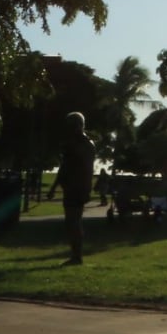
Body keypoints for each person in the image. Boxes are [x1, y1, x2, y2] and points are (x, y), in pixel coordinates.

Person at [58, 111, 96, 266]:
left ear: (80, 126)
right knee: (71, 222)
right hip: (72, 186)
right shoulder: (73, 144)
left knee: (74, 221)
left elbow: (86, 169)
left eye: (73, 126)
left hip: (78, 187)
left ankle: (77, 256)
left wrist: (85, 188)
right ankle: (75, 255)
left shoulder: (85, 145)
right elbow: (64, 167)